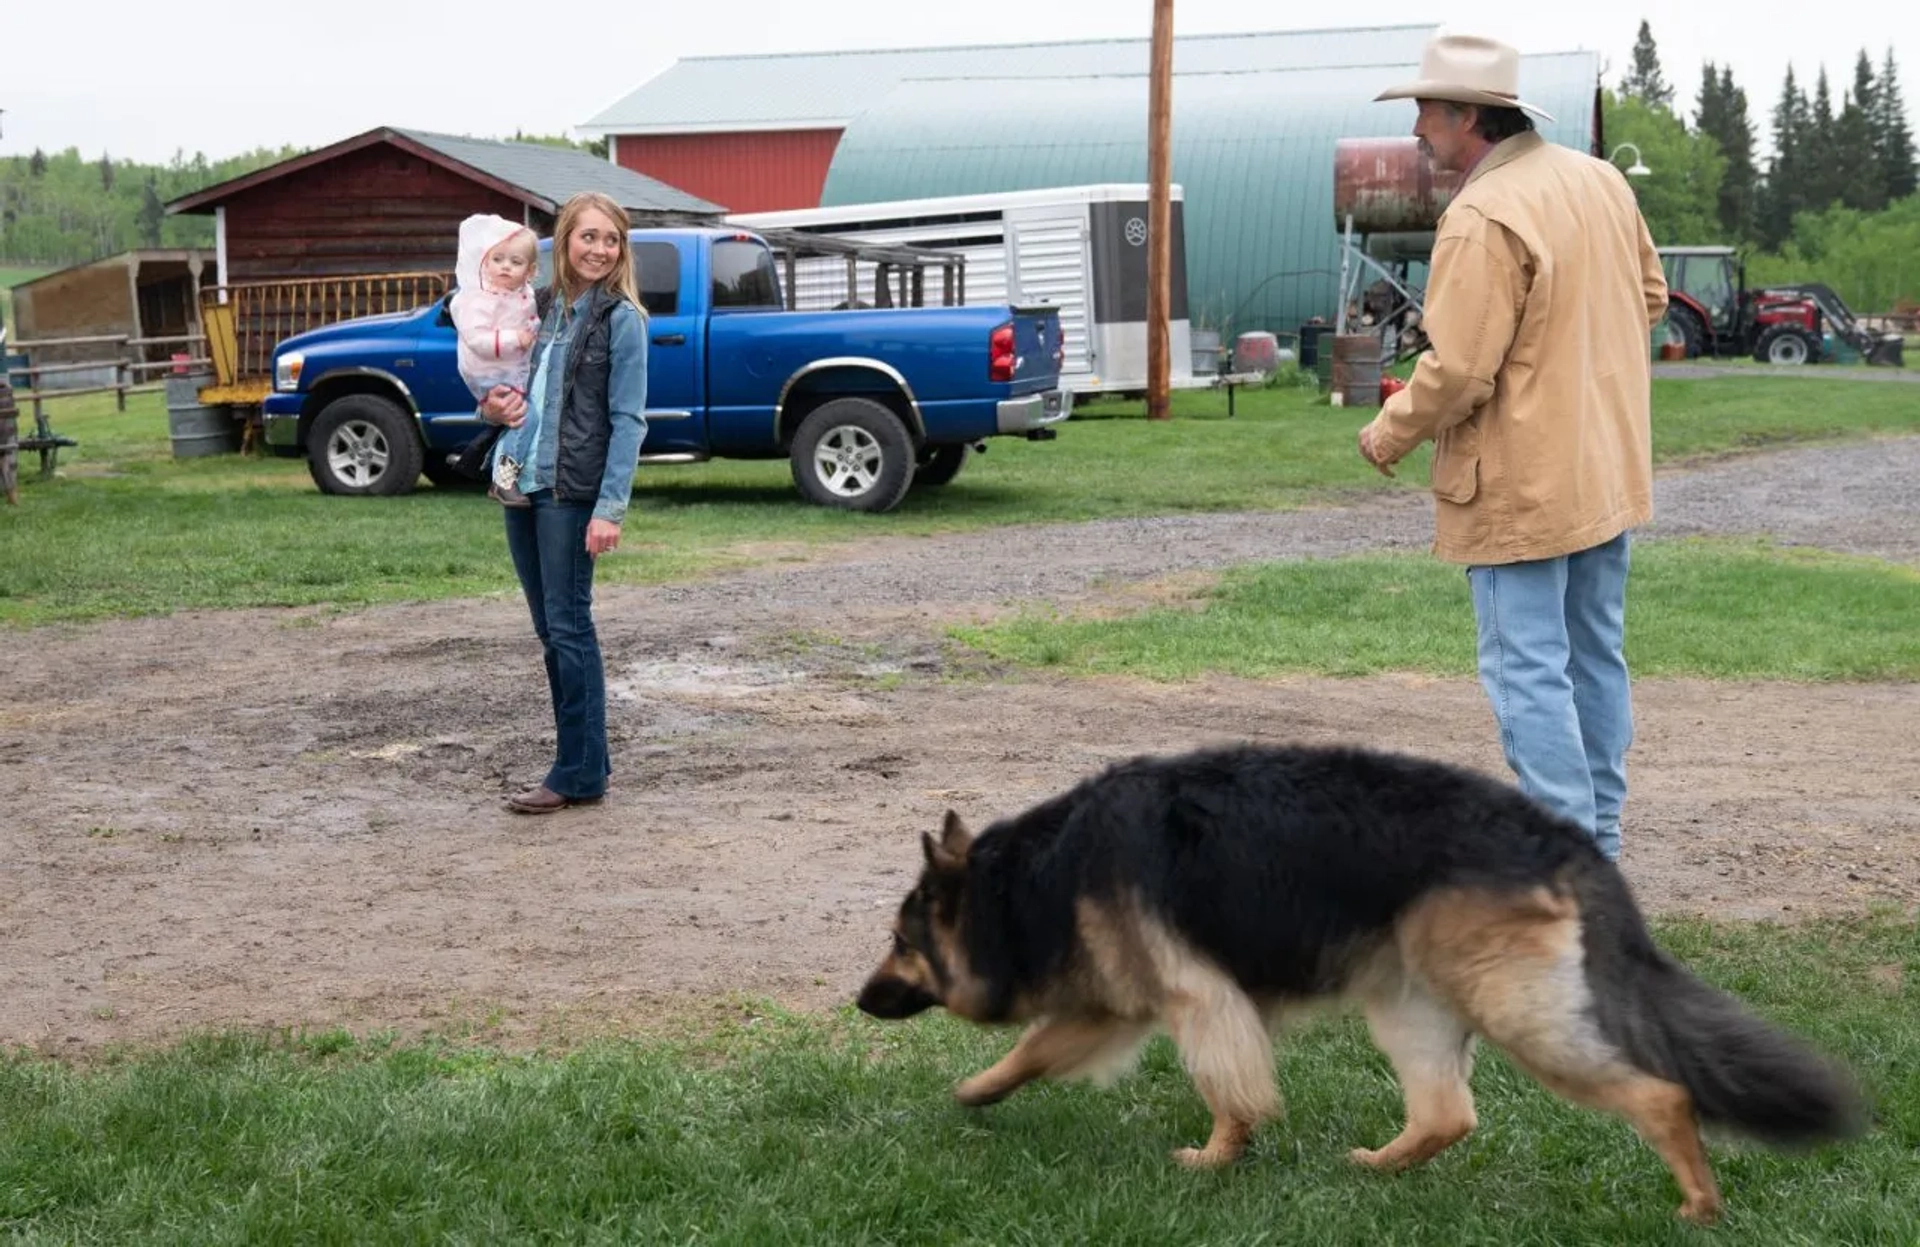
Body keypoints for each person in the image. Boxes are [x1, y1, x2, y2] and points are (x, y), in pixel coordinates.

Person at [1354, 31, 1669, 861]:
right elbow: (1650, 296)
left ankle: (1567, 860)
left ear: (1466, 117)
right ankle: (1597, 841)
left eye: (1425, 110)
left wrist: (1388, 431)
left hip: (1522, 484)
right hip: (1602, 468)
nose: (1417, 129)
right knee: (1594, 652)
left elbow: (1458, 371)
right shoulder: (1599, 179)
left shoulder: (1481, 215)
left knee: (1528, 667)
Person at [477, 192, 649, 814]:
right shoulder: (539, 309)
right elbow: (504, 389)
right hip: (523, 484)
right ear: (564, 242)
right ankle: (588, 764)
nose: (600, 249)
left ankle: (573, 772)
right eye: (589, 237)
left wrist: (611, 508)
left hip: (573, 493)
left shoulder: (620, 320)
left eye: (611, 240)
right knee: (552, 631)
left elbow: (628, 421)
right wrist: (490, 407)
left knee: (571, 629)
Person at [448, 214, 543, 507]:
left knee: (518, 419)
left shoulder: (520, 294)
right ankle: (503, 480)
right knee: (525, 418)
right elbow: (477, 340)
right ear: (484, 262)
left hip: (508, 370)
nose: (505, 267)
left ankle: (479, 460)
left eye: (515, 262)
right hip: (488, 372)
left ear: (530, 271)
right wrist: (518, 339)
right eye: (498, 259)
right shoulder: (481, 299)